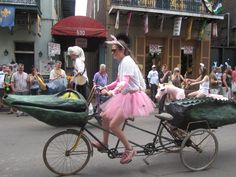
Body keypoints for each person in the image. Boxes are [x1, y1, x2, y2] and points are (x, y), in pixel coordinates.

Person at [91, 35, 155, 164]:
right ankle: (104, 143)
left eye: (114, 50)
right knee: (104, 116)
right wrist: (104, 86)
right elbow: (117, 81)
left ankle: (130, 149)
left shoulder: (127, 61)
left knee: (113, 125)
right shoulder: (122, 63)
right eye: (112, 50)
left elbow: (124, 83)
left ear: (122, 50)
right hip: (125, 95)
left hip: (132, 97)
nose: (112, 53)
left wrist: (112, 92)